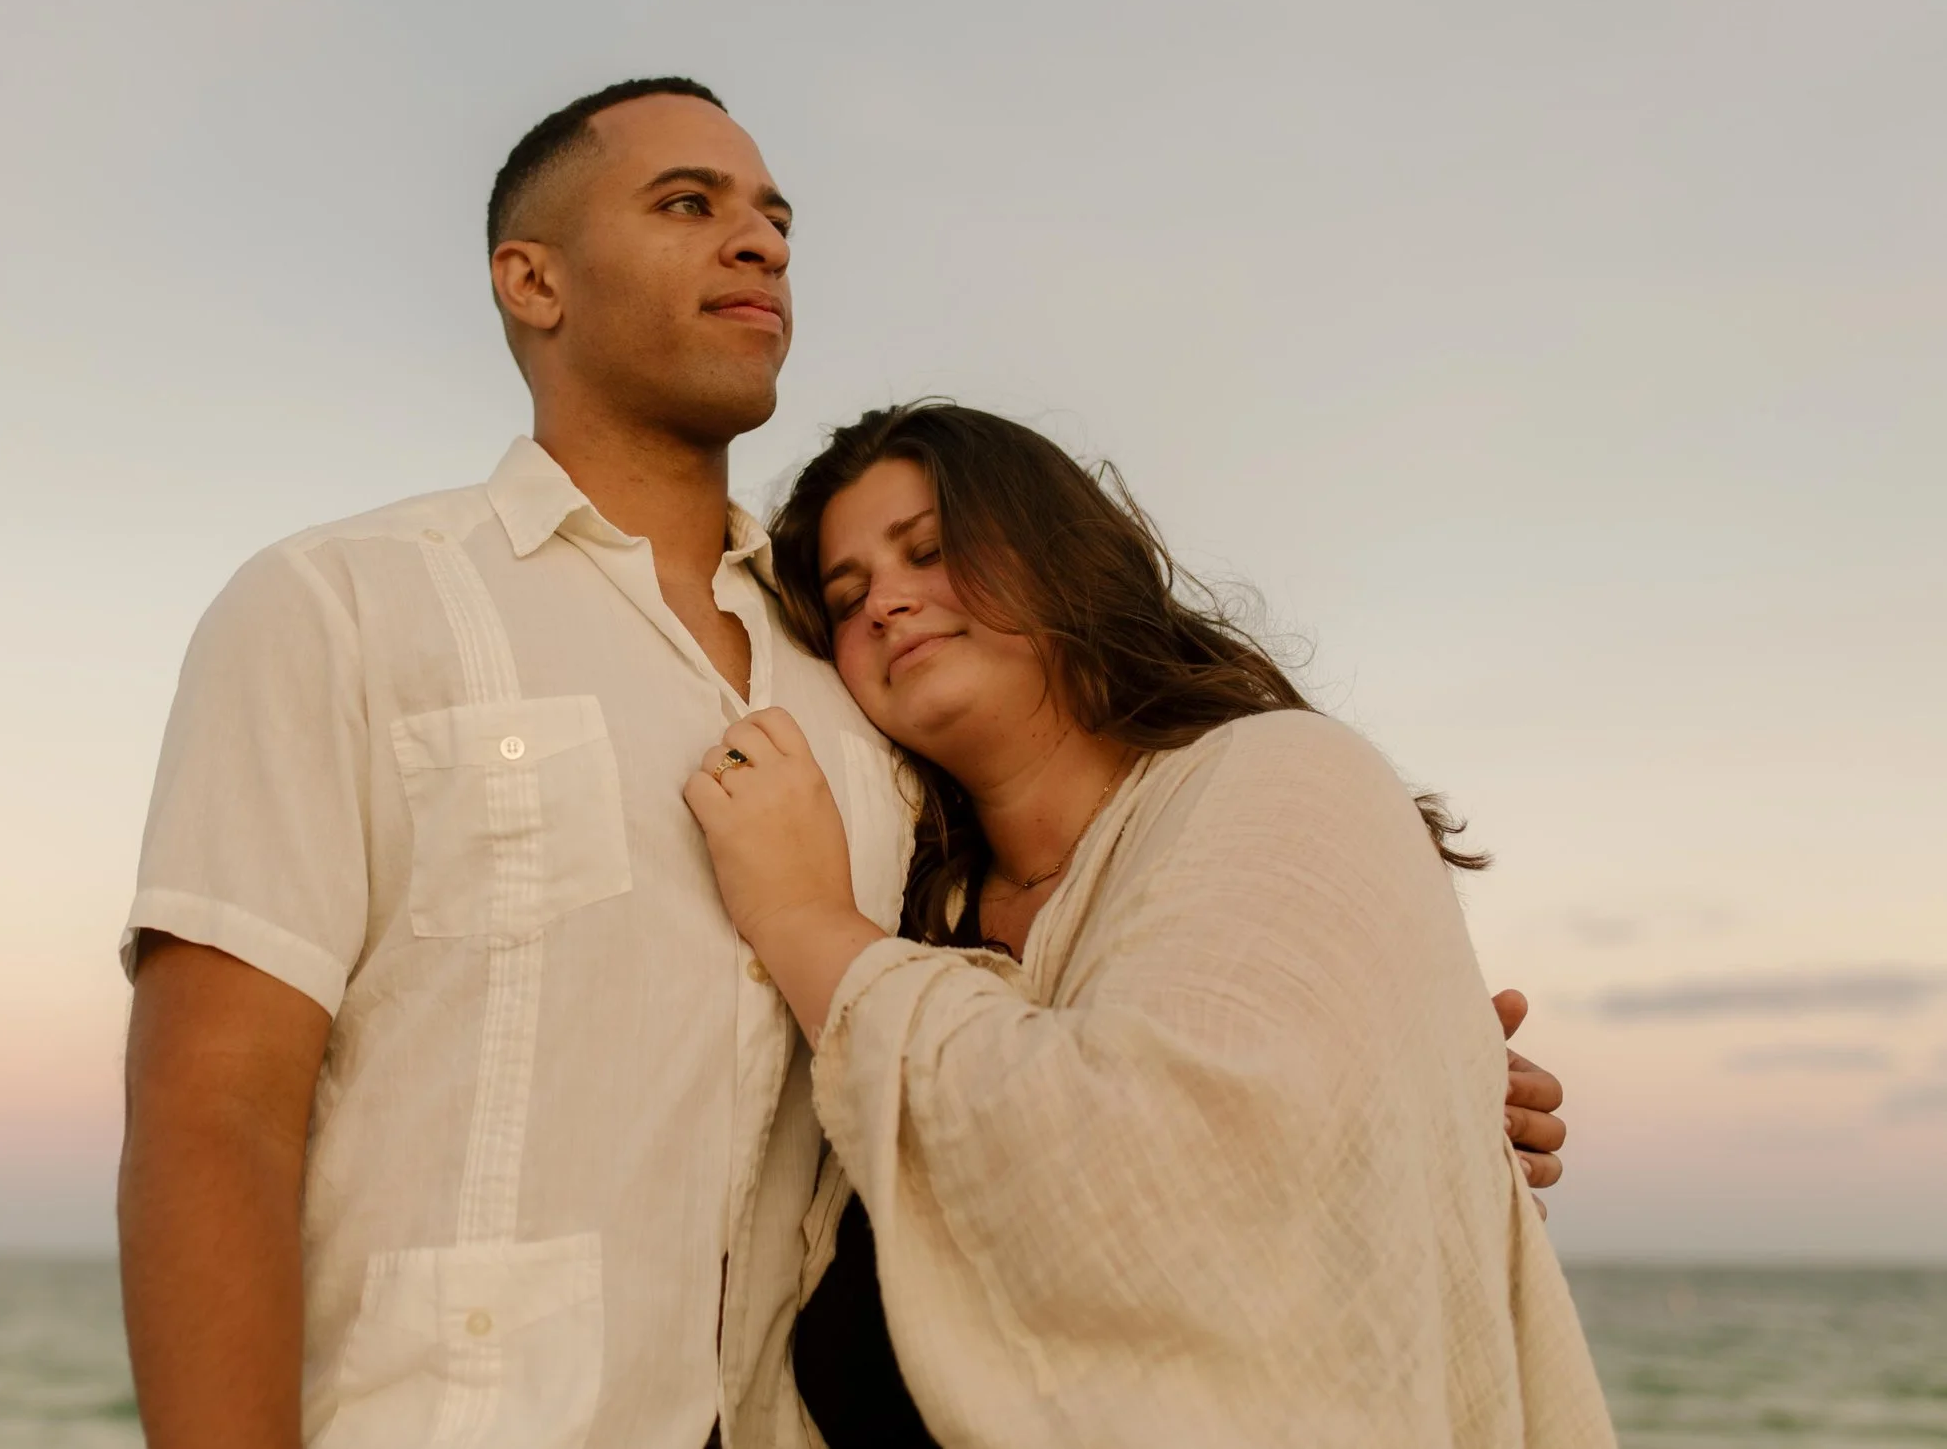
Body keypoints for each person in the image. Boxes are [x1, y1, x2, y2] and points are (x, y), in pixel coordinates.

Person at [115, 78, 1572, 1449]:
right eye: (687, 203)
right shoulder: (344, 604)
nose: (757, 237)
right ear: (534, 279)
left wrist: (1373, 1070)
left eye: (775, 217)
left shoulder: (862, 698)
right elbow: (216, 1106)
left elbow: (1045, 1021)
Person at [681, 403, 1613, 1447]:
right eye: (846, 599)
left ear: (1056, 552)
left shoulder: (1289, 776)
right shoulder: (908, 914)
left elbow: (1143, 1170)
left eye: (931, 551)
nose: (888, 603)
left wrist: (800, 917)